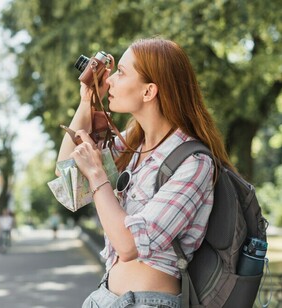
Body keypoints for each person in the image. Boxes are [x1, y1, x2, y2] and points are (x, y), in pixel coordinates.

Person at [56, 37, 234, 308]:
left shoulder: (195, 163)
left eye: (121, 72)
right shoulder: (133, 144)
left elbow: (129, 246)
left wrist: (98, 176)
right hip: (105, 298)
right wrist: (86, 101)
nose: (111, 80)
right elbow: (68, 176)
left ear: (149, 91)